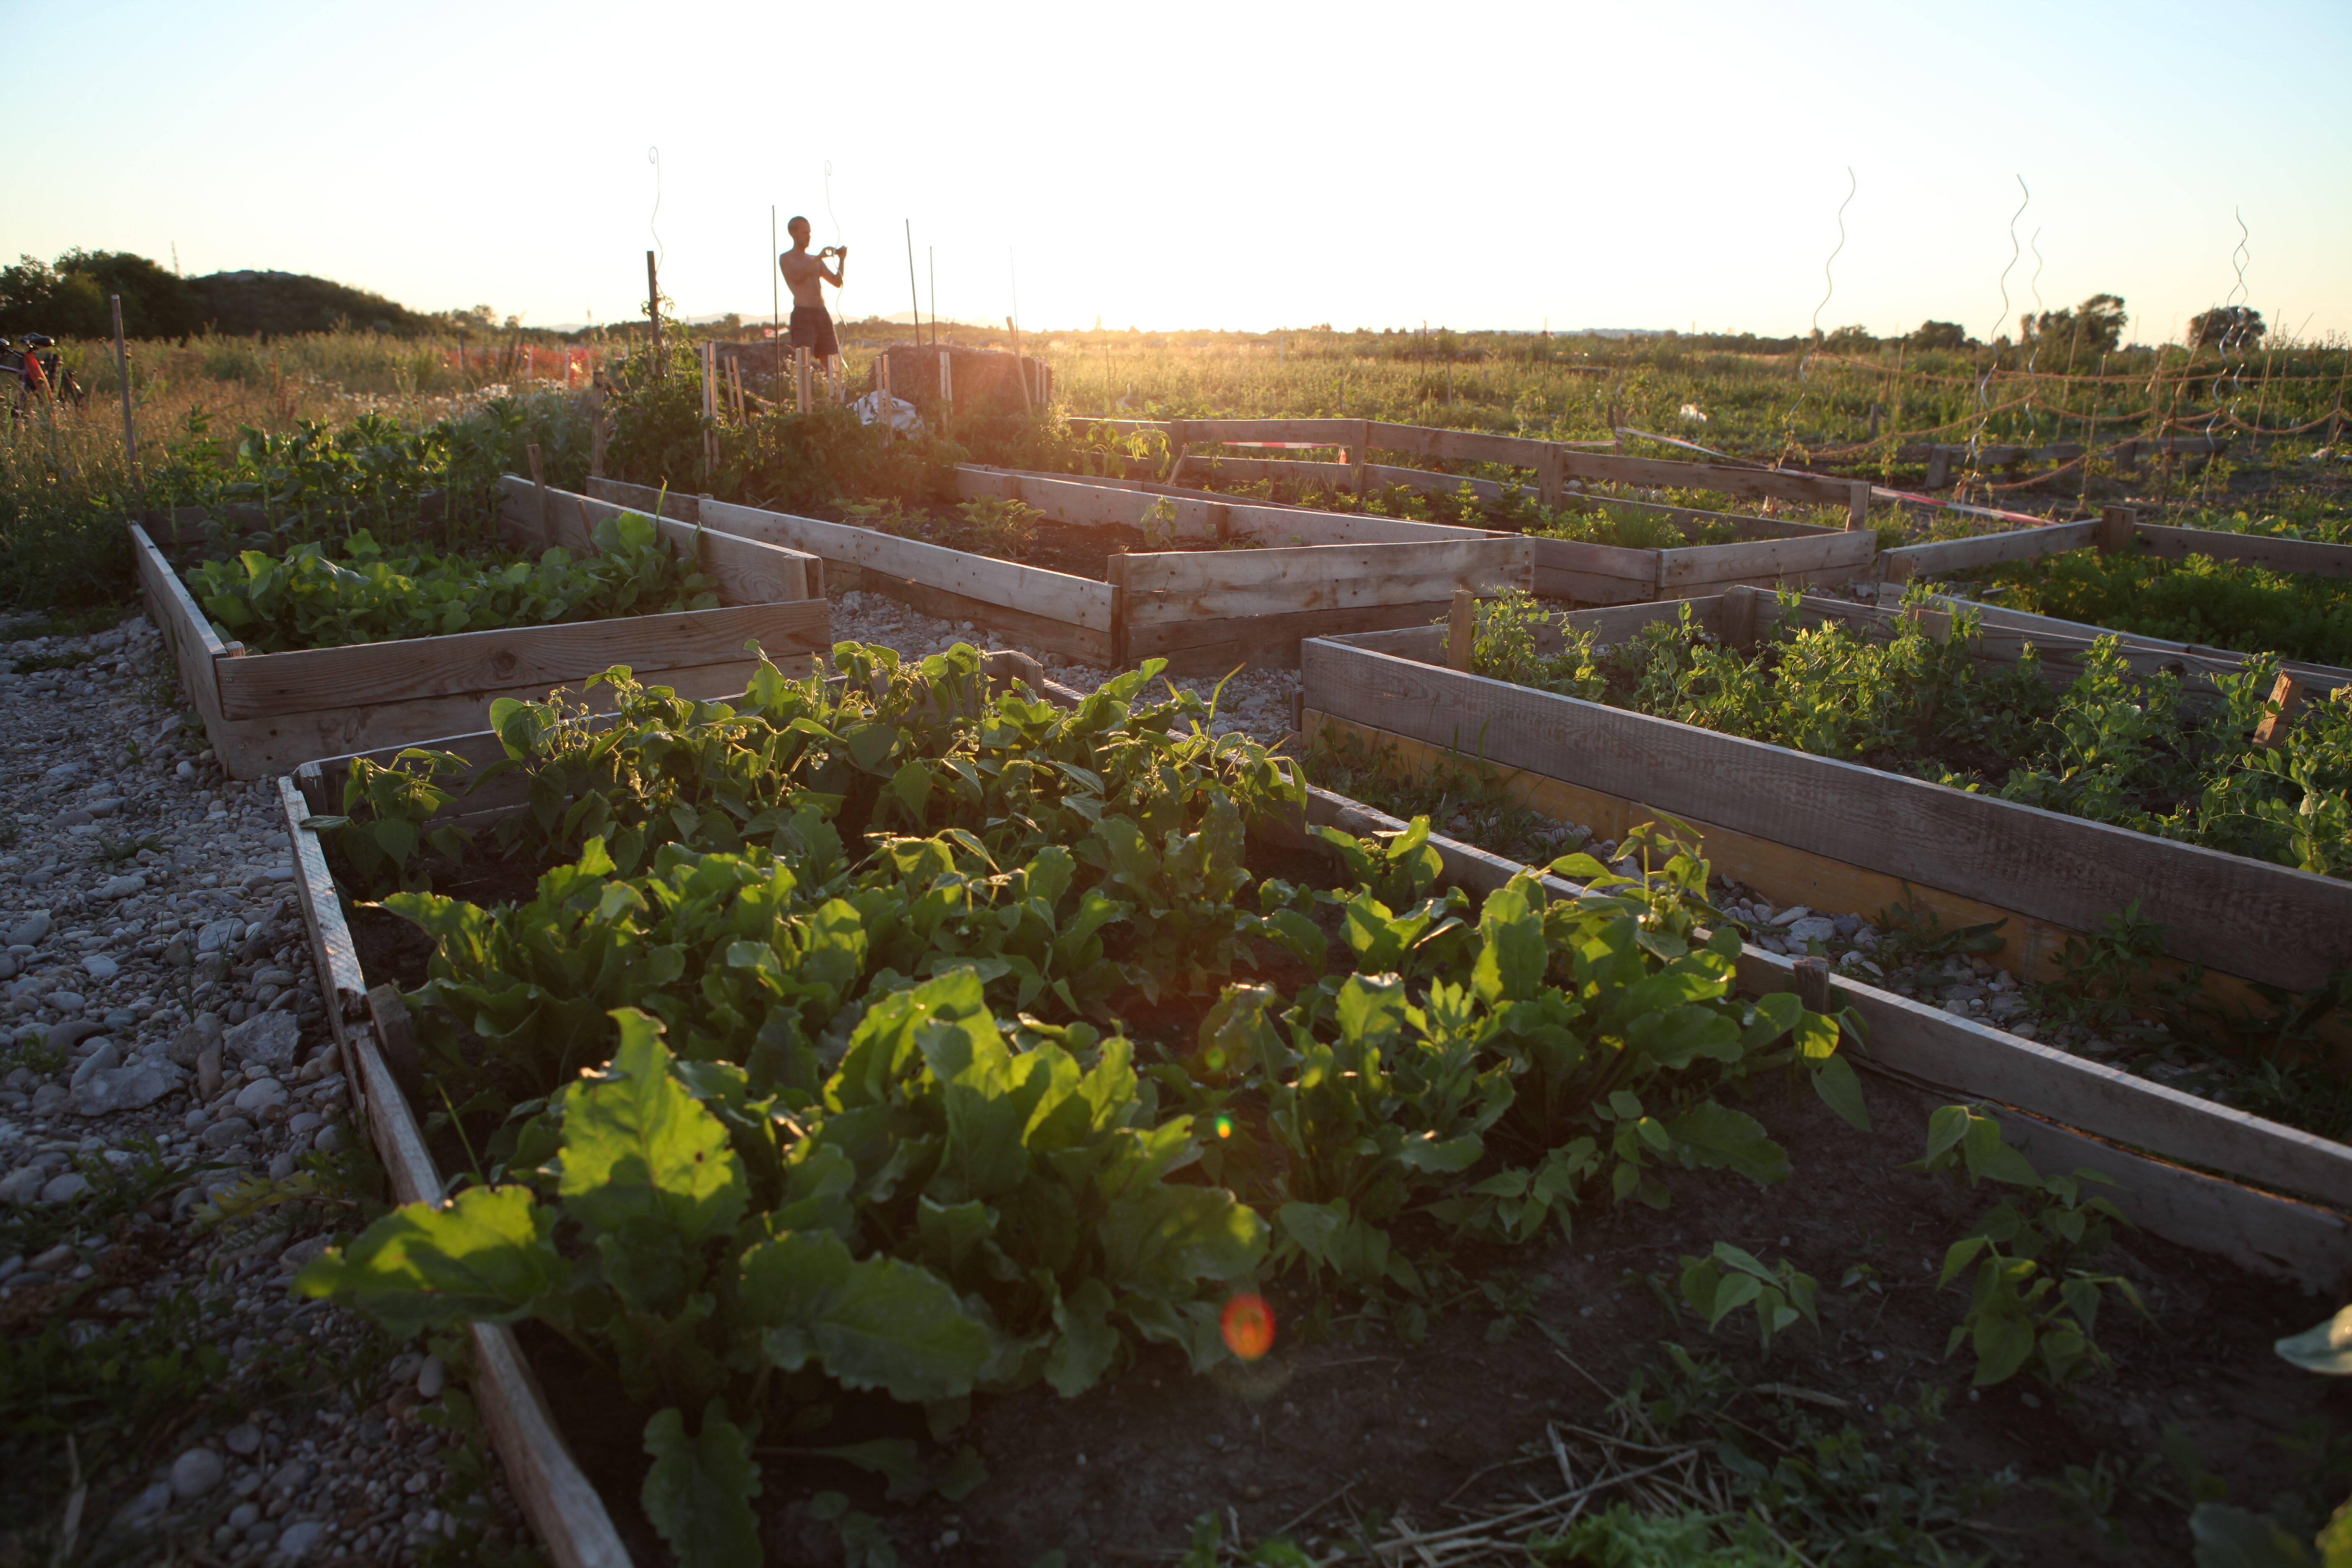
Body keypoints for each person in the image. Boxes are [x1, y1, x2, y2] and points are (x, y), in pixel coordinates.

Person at [779, 216, 845, 377]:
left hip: (822, 313)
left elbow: (837, 282)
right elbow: (797, 278)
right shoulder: (787, 258)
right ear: (793, 233)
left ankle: (832, 394)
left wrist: (842, 259)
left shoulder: (815, 260)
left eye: (809, 233)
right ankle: (806, 394)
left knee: (829, 358)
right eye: (804, 233)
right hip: (803, 314)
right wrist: (817, 259)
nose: (808, 237)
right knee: (804, 360)